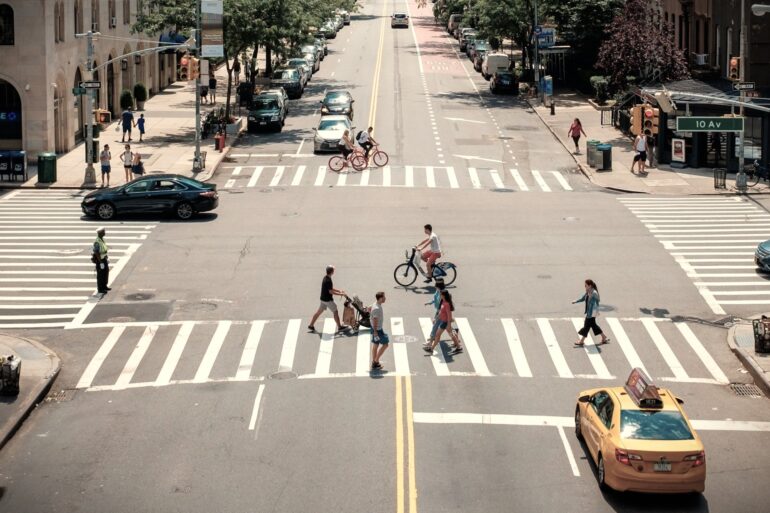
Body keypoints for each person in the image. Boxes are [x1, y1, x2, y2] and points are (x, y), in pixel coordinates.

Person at [308, 265, 349, 332]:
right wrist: (341, 294)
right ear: (332, 272)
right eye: (334, 270)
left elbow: (330, 288)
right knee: (335, 311)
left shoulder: (326, 278)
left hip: (323, 299)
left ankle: (311, 325)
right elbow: (330, 291)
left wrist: (339, 291)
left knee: (318, 312)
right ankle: (339, 327)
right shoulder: (328, 280)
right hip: (327, 300)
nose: (334, 271)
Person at [423, 290, 463, 354]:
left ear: (443, 296)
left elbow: (449, 315)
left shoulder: (446, 304)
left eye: (441, 295)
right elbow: (441, 312)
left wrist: (449, 324)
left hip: (445, 322)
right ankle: (458, 347)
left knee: (437, 335)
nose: (440, 296)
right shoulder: (443, 302)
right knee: (451, 334)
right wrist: (436, 319)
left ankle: (431, 348)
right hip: (443, 322)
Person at [573, 279, 610, 346]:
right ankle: (603, 337)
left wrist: (592, 299)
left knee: (586, 326)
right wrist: (576, 301)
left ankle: (581, 341)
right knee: (593, 325)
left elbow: (598, 300)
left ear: (590, 286)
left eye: (586, 285)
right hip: (589, 312)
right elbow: (583, 298)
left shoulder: (594, 293)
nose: (585, 287)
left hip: (592, 313)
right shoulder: (588, 291)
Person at [369, 291, 390, 370]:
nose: (385, 298)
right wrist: (375, 332)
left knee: (376, 344)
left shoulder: (375, 304)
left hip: (376, 329)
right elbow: (375, 320)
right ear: (380, 298)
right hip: (377, 330)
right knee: (386, 344)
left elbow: (369, 308)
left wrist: (369, 310)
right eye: (384, 297)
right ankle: (375, 361)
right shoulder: (377, 308)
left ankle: (374, 362)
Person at [425, 278, 446, 345]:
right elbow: (435, 298)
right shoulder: (438, 291)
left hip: (441, 313)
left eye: (436, 286)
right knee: (447, 328)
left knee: (435, 326)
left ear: (439, 287)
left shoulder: (442, 294)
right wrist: (430, 302)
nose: (435, 287)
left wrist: (436, 317)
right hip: (438, 311)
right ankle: (455, 336)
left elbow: (441, 307)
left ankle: (430, 342)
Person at [92, 227, 110, 294]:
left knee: (105, 272)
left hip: (104, 258)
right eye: (103, 232)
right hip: (100, 260)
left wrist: (106, 257)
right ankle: (100, 288)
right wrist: (100, 262)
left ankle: (105, 286)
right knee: (100, 275)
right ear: (100, 233)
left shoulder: (102, 239)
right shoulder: (97, 242)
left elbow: (104, 249)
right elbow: (96, 252)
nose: (105, 233)